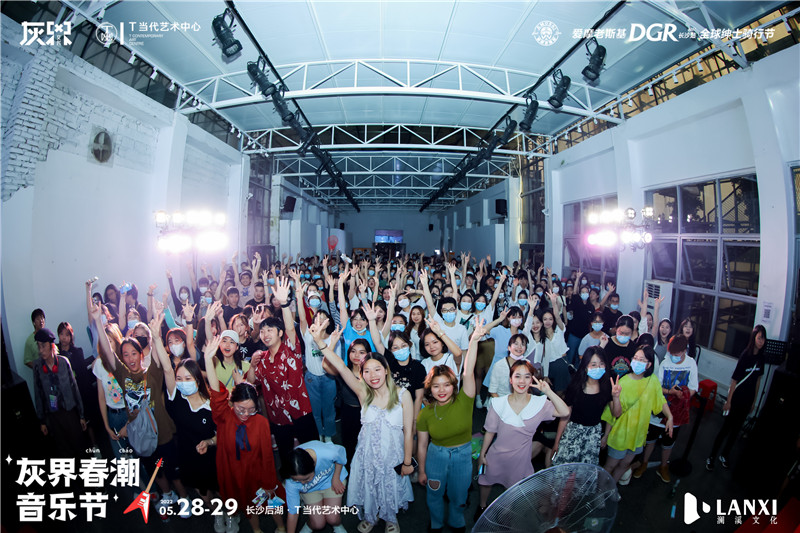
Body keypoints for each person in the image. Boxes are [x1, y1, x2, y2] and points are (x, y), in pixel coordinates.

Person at [312, 321, 414, 533]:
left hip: (392, 455)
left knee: (389, 486)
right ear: (362, 374)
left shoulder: (403, 395)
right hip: (366, 454)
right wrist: (320, 342)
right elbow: (341, 367)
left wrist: (406, 462)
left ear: (386, 371)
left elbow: (408, 432)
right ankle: (371, 515)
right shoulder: (362, 392)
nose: (373, 375)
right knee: (369, 485)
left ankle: (390, 518)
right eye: (367, 371)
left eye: (377, 369)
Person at [91, 304, 186, 514]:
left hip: (162, 431)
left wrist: (155, 333)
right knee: (155, 471)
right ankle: (167, 495)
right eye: (126, 355)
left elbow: (158, 354)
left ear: (140, 354)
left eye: (134, 353)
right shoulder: (122, 375)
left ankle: (184, 499)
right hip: (140, 435)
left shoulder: (152, 372)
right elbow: (108, 351)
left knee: (172, 470)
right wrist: (97, 321)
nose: (131, 358)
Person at [204, 336, 286, 533]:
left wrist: (269, 482)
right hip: (234, 473)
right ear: (232, 403)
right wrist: (207, 359)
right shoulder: (224, 416)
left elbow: (267, 456)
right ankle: (256, 530)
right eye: (241, 409)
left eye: (251, 410)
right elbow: (216, 394)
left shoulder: (261, 423)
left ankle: (281, 527)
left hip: (257, 472)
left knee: (269, 501)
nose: (245, 414)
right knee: (248, 504)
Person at [475, 360, 570, 519]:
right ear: (510, 379)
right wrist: (482, 454)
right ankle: (482, 506)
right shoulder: (498, 403)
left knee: (512, 489)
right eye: (517, 376)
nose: (522, 381)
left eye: (527, 376)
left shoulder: (539, 404)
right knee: (486, 481)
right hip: (496, 455)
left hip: (520, 459)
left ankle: (504, 514)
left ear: (532, 379)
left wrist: (548, 392)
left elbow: (564, 412)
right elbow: (490, 431)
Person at [417, 321, 482, 533]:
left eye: (446, 385)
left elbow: (468, 371)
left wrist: (474, 340)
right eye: (436, 386)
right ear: (430, 389)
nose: (442, 390)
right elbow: (422, 445)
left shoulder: (465, 400)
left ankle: (456, 521)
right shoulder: (426, 413)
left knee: (459, 496)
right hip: (436, 457)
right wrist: (421, 470)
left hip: (463, 456)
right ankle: (436, 523)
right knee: (434, 495)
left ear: (454, 386)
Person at [248, 277, 317, 467]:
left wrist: (285, 303)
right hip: (277, 416)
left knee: (312, 451)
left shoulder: (290, 349)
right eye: (263, 331)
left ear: (279, 333)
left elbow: (290, 327)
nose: (265, 334)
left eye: (270, 330)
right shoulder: (261, 358)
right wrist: (252, 366)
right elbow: (252, 381)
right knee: (286, 458)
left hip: (300, 411)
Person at [155, 326, 220, 524]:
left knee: (220, 489)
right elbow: (167, 369)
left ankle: (230, 514)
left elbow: (222, 433)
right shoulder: (177, 399)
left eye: (187, 378)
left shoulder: (210, 404)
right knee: (203, 492)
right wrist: (156, 337)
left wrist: (209, 442)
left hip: (213, 456)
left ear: (197, 380)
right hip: (188, 456)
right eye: (179, 379)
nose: (182, 382)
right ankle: (218, 516)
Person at [602, 346, 673, 483]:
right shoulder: (623, 382)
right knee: (610, 465)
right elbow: (614, 414)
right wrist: (606, 435)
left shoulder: (652, 380)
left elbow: (660, 399)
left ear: (649, 364)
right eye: (635, 358)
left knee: (624, 465)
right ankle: (599, 491)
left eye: (642, 360)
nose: (637, 362)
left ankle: (611, 489)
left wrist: (670, 417)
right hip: (620, 434)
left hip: (638, 435)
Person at [634, 335, 697, 483]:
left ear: (684, 351)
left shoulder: (691, 364)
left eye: (676, 354)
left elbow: (694, 387)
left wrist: (682, 396)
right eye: (671, 353)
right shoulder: (665, 363)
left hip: (677, 412)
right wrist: (670, 392)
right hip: (659, 409)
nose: (673, 356)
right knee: (650, 439)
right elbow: (657, 387)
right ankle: (644, 463)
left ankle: (663, 467)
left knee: (668, 442)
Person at [706, 325, 767, 471]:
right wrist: (729, 401)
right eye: (759, 338)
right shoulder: (745, 355)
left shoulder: (761, 358)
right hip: (737, 398)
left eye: (763, 338)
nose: (761, 341)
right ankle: (712, 456)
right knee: (725, 429)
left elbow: (758, 381)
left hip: (748, 400)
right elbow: (734, 380)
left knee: (736, 431)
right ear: (754, 338)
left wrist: (754, 401)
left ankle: (724, 455)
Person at [552, 346, 622, 466]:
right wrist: (557, 442)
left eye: (601, 364)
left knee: (585, 472)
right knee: (565, 470)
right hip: (573, 432)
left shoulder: (607, 386)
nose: (598, 368)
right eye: (593, 364)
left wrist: (616, 397)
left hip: (593, 434)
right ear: (585, 366)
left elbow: (616, 414)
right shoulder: (575, 386)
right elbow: (565, 416)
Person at [32, 327, 88, 457]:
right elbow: (38, 394)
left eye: (43, 346)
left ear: (52, 346)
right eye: (38, 346)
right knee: (64, 451)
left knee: (80, 447)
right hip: (54, 416)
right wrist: (42, 421)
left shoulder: (63, 362)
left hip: (70, 412)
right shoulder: (38, 366)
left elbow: (75, 388)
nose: (41, 350)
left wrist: (81, 415)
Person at [282, 442, 349, 533]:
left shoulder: (327, 453)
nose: (302, 483)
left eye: (306, 478)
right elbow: (293, 512)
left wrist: (336, 477)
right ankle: (309, 525)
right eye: (297, 480)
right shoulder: (290, 482)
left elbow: (341, 454)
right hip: (310, 490)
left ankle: (337, 525)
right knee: (318, 524)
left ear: (314, 465)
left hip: (330, 480)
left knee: (333, 518)